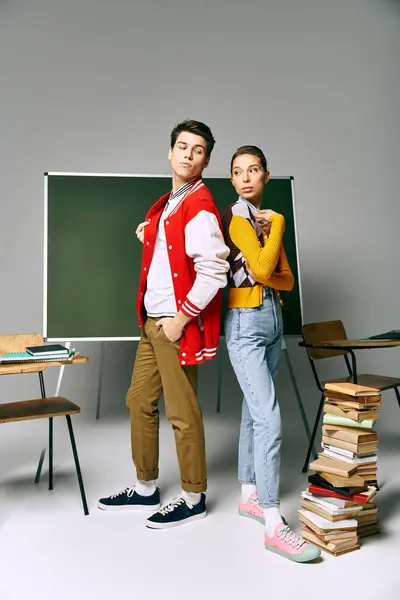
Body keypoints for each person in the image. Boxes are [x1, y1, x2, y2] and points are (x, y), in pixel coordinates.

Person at [98, 120, 230, 529]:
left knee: (182, 412)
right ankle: (145, 487)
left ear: (206, 160)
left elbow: (213, 272)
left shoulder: (200, 206)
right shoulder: (170, 203)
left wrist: (180, 319)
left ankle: (193, 495)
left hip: (175, 324)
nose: (188, 155)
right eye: (182, 147)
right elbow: (170, 249)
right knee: (139, 401)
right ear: (170, 153)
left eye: (197, 150)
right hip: (152, 322)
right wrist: (149, 231)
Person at [222, 145, 320, 562]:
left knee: (252, 411)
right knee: (270, 420)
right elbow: (264, 273)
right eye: (238, 172)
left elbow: (287, 280)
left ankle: (248, 494)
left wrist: (272, 235)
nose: (246, 178)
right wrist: (278, 222)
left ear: (266, 176)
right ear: (232, 180)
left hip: (273, 322)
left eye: (254, 170)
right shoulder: (239, 220)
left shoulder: (265, 222)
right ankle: (274, 521)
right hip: (244, 325)